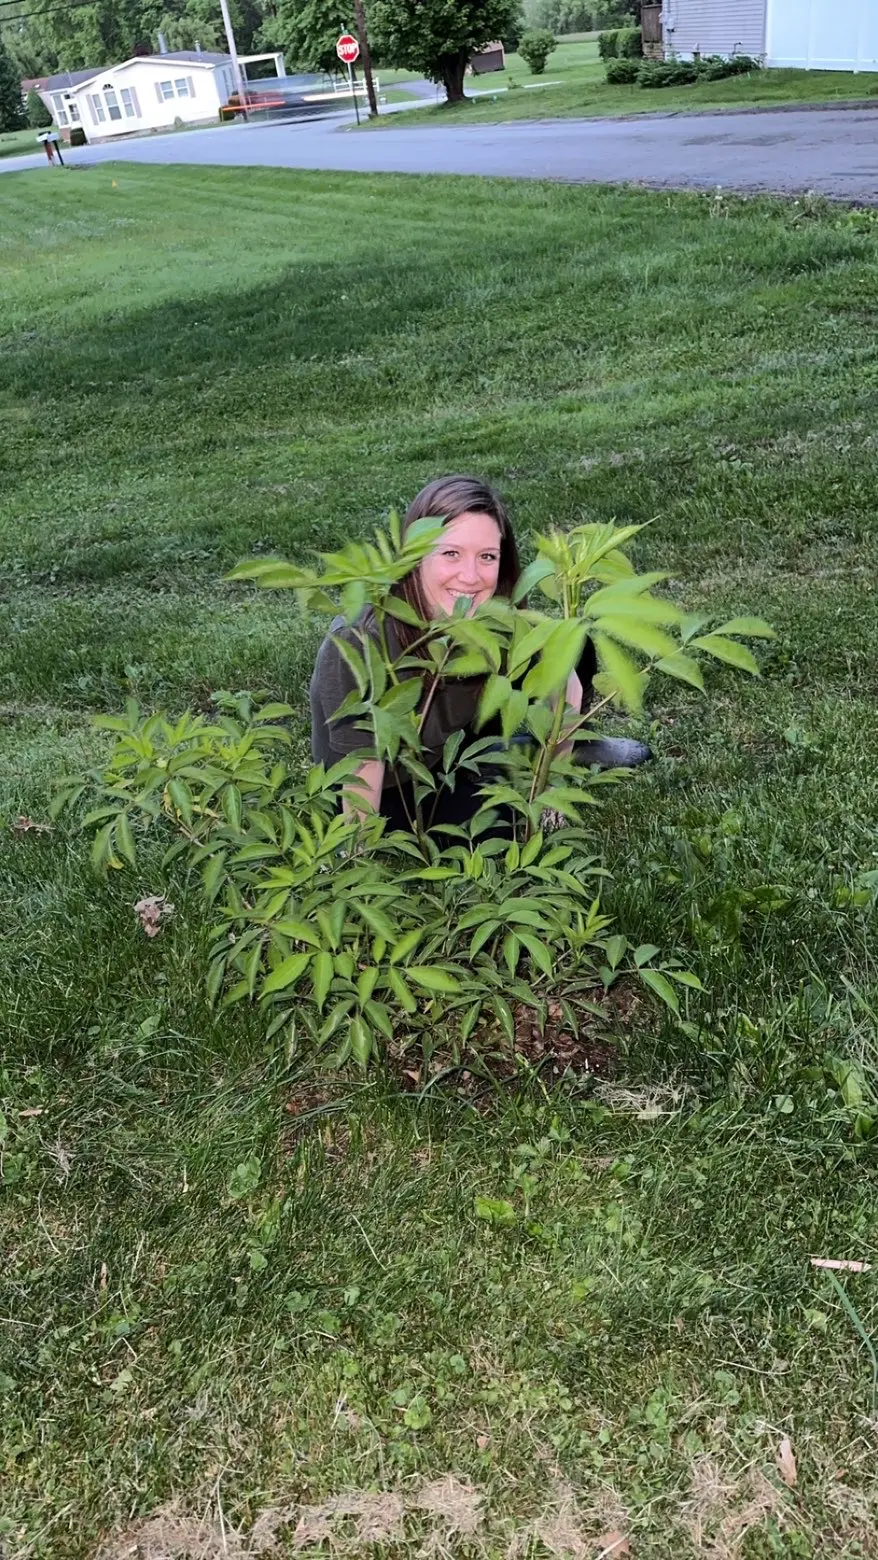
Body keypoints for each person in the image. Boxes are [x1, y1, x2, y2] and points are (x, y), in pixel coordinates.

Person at [309, 475, 649, 831]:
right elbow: (362, 772)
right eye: (451, 553)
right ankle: (498, 761)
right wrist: (356, 857)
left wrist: (551, 783)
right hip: (392, 781)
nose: (470, 577)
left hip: (454, 738)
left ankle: (568, 746)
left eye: (487, 556)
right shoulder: (359, 639)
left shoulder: (496, 613)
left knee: (569, 643)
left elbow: (565, 687)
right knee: (505, 821)